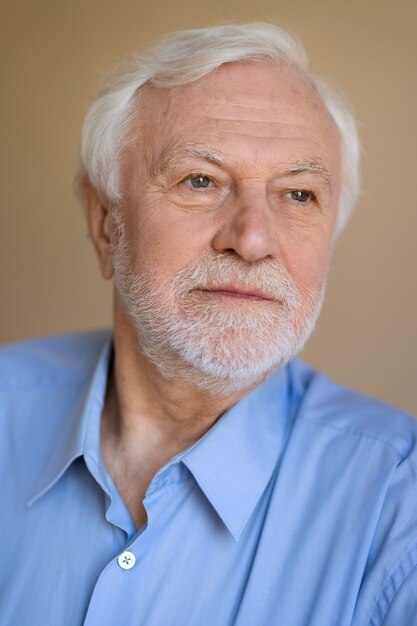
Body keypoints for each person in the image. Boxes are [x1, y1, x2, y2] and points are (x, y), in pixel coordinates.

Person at [0, 22, 416, 626]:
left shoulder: (398, 502)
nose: (252, 240)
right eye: (201, 180)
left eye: (298, 195)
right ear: (105, 222)